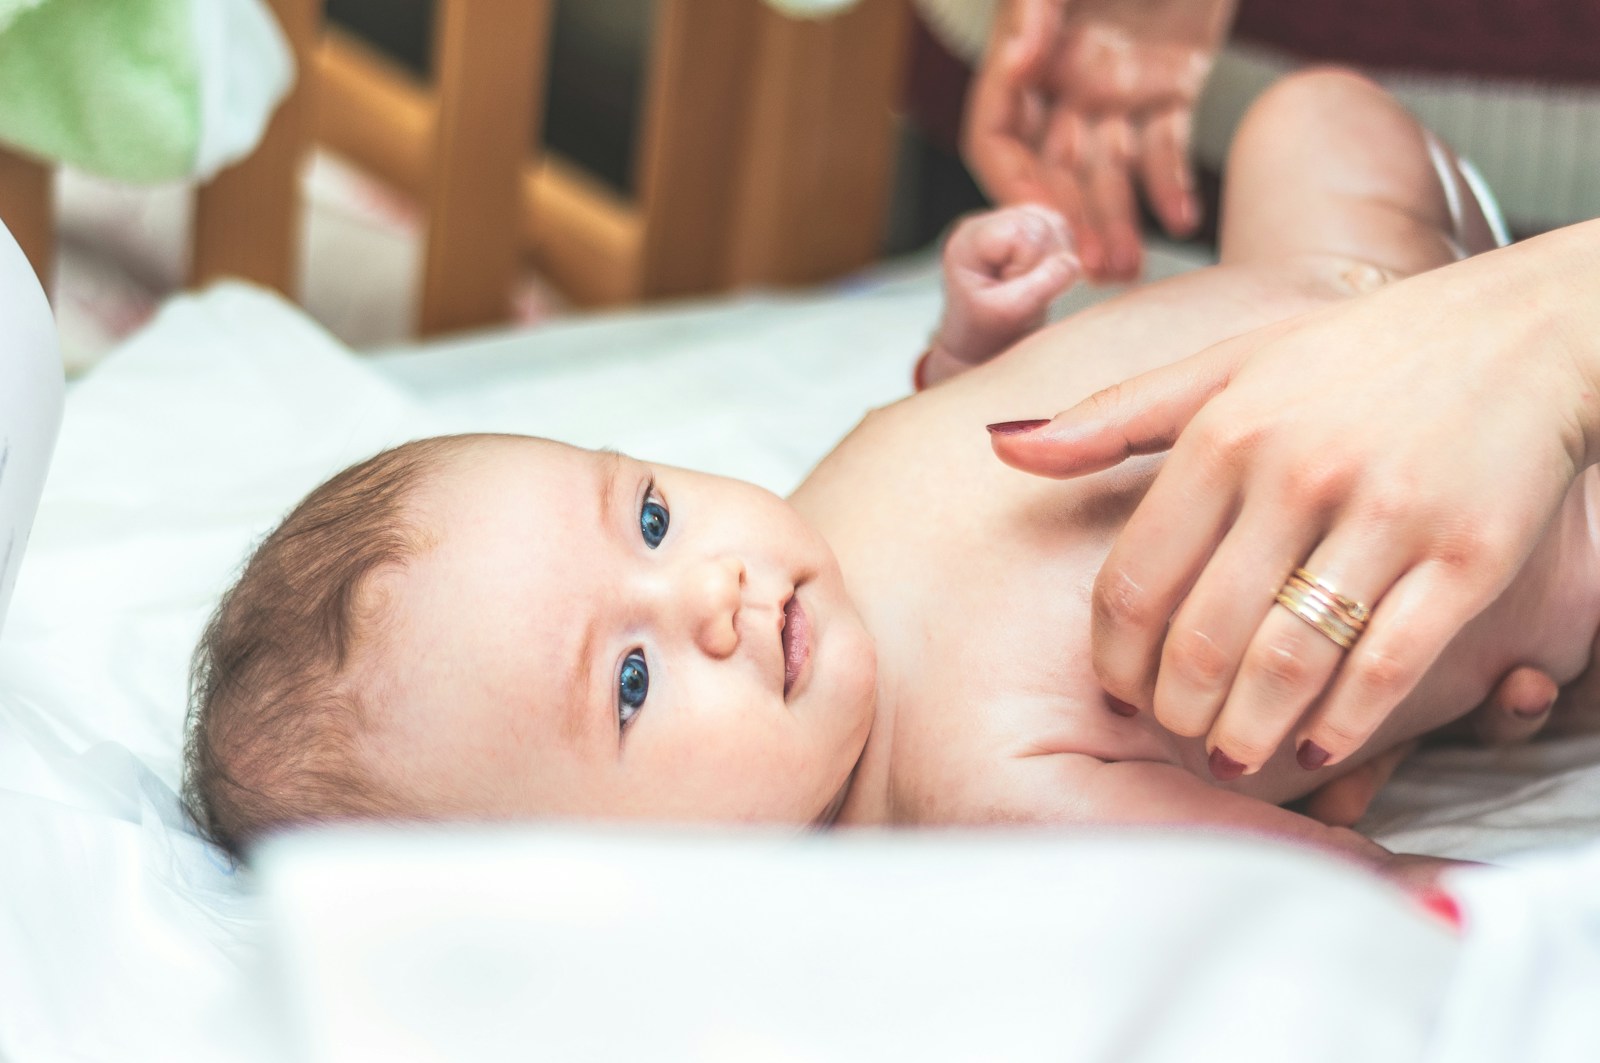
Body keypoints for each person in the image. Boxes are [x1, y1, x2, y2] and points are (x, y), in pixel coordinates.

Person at [185, 71, 1591, 884]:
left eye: (653, 516)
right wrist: (1406, 866)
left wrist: (976, 345)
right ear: (614, 892)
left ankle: (1482, 272)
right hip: (1498, 535)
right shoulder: (971, 794)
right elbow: (1264, 885)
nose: (713, 593)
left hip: (1380, 305)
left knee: (1312, 114)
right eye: (629, 680)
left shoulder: (812, 539)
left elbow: (964, 457)